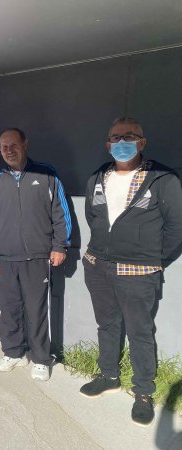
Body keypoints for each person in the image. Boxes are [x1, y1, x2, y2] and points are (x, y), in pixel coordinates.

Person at [79, 117, 182, 426]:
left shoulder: (162, 178)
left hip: (139, 272)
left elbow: (177, 227)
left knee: (140, 332)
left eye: (129, 136)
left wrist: (154, 259)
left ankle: (144, 391)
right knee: (107, 324)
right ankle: (109, 376)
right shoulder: (98, 176)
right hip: (98, 266)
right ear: (107, 144)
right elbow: (92, 215)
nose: (121, 142)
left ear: (142, 142)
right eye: (115, 137)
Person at [0, 128, 71, 381]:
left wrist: (60, 245)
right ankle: (13, 353)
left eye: (13, 145)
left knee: (37, 309)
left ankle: (41, 358)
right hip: (5, 259)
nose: (9, 150)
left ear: (25, 144)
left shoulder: (46, 174)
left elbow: (61, 212)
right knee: (9, 309)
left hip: (37, 258)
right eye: (4, 147)